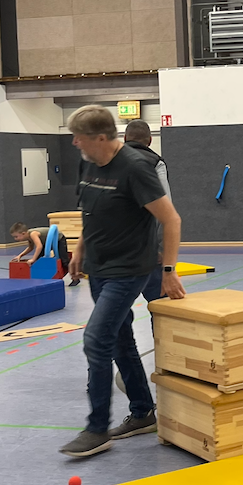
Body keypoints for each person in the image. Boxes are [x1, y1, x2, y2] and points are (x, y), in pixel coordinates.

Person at [60, 105, 186, 459]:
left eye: (79, 137)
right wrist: (80, 249)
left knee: (96, 340)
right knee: (118, 339)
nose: (74, 143)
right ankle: (144, 411)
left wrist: (168, 269)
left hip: (130, 268)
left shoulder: (135, 168)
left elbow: (171, 220)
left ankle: (97, 427)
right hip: (98, 267)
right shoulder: (89, 162)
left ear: (101, 138)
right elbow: (89, 211)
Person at [122, 118, 169, 304]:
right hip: (146, 252)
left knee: (116, 313)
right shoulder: (156, 163)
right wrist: (161, 251)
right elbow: (166, 211)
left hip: (115, 254)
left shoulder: (107, 162)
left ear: (124, 138)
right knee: (161, 307)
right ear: (149, 141)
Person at [10, 221, 80, 287]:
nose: (15, 239)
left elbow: (39, 246)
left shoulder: (33, 234)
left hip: (59, 240)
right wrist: (20, 255)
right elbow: (30, 248)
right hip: (47, 242)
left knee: (64, 261)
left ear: (23, 233)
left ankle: (75, 278)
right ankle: (40, 277)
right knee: (38, 259)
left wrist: (33, 259)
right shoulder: (28, 236)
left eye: (16, 236)